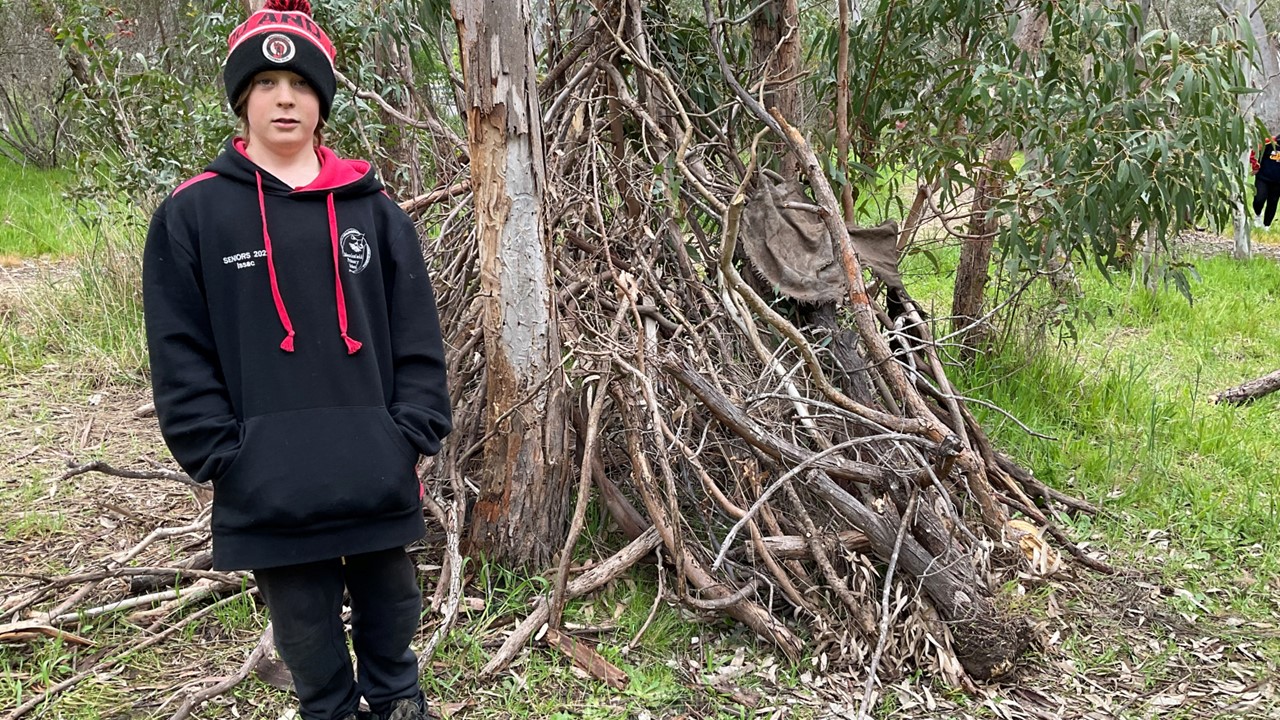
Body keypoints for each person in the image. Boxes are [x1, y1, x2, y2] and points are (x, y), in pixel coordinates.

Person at [141, 1, 451, 719]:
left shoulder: (375, 211)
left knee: (393, 602)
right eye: (267, 83)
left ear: (322, 101)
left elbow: (417, 335)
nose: (285, 98)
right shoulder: (193, 213)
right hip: (267, 483)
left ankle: (399, 704)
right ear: (241, 98)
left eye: (302, 84)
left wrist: (409, 431)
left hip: (374, 469)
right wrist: (221, 454)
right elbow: (178, 350)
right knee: (304, 624)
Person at [1250, 133, 1280, 229]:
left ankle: (1267, 225)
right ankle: (1257, 215)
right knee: (1259, 199)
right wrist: (1255, 167)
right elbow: (1254, 153)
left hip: (1278, 182)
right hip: (1263, 178)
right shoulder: (1268, 142)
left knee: (1273, 202)